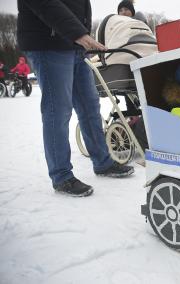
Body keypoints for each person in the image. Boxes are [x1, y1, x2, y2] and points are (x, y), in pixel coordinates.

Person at [18, 0, 134, 197]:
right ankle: (61, 175)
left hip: (74, 45)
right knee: (58, 109)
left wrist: (81, 33)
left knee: (90, 105)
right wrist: (78, 33)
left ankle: (103, 162)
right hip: (49, 42)